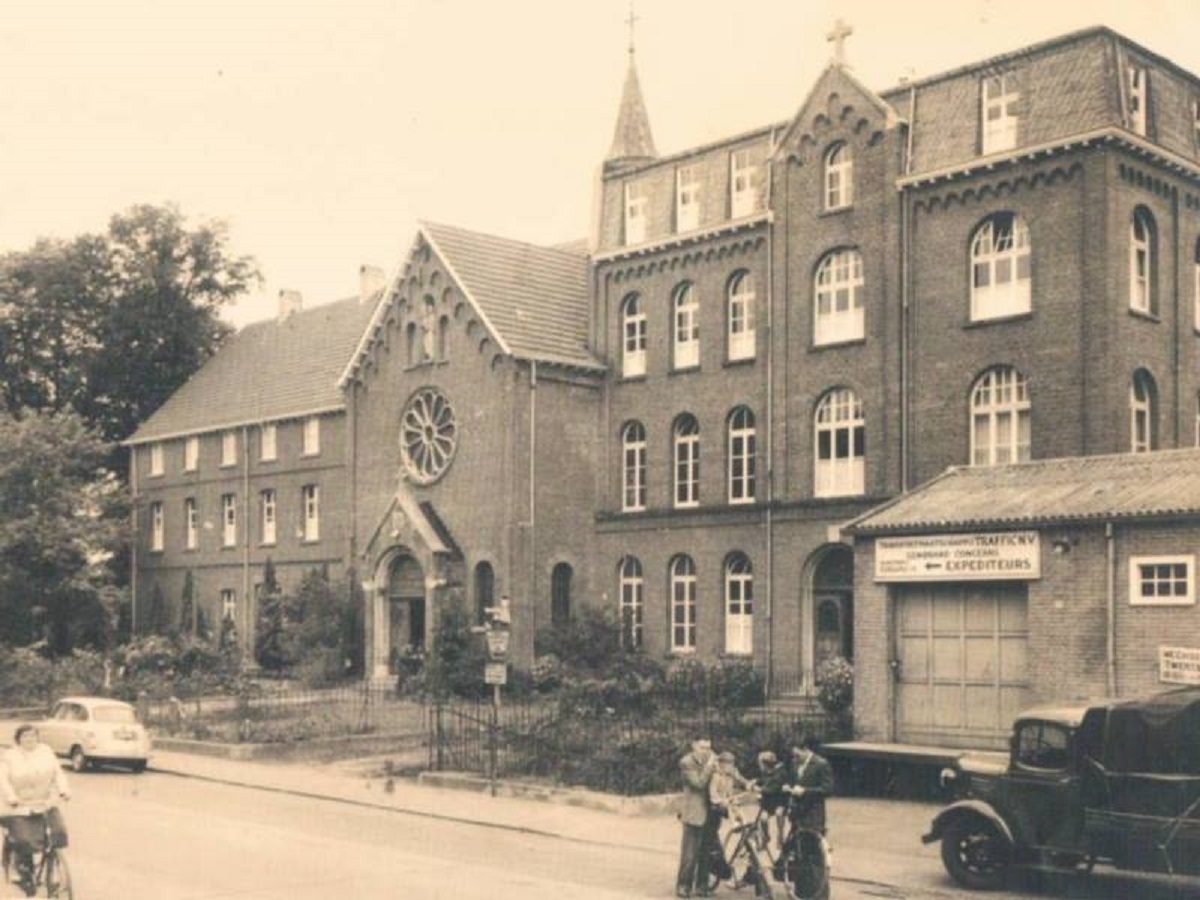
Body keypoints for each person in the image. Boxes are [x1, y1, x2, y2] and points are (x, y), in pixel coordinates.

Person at [0, 724, 70, 897]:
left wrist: (63, 790)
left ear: (38, 738)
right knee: (25, 841)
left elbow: (58, 773)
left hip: (44, 802)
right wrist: (11, 797)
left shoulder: (46, 752)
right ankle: (22, 870)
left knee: (58, 833)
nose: (29, 739)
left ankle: (53, 868)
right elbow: (3, 780)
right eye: (25, 736)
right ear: (18, 739)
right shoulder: (10, 756)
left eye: (32, 735)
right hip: (18, 806)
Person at [781, 740, 834, 900]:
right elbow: (793, 782)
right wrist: (787, 787)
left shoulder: (821, 764)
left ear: (806, 749)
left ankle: (820, 896)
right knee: (799, 856)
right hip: (797, 815)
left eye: (797, 754)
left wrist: (805, 791)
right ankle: (802, 893)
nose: (795, 757)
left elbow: (828, 789)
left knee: (815, 857)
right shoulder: (795, 764)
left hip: (813, 816)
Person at [675, 737, 716, 898]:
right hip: (694, 813)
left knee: (706, 852)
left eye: (708, 748)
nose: (706, 751)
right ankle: (683, 886)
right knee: (690, 854)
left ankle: (702, 886)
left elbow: (727, 773)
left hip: (710, 813)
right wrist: (710, 766)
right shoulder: (686, 762)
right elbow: (699, 783)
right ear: (694, 746)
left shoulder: (711, 762)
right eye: (702, 747)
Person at [755, 750, 789, 853]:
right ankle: (766, 837)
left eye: (761, 763)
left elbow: (773, 787)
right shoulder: (765, 772)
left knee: (779, 813)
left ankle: (780, 836)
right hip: (768, 802)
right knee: (763, 818)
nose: (760, 766)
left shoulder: (780, 772)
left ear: (766, 764)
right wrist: (755, 782)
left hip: (779, 800)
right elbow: (762, 780)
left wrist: (760, 789)